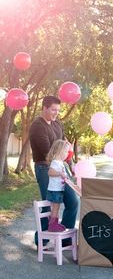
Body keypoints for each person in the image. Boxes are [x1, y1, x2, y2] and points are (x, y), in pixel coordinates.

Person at [29, 96, 79, 245]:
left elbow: (64, 147)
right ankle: (41, 241)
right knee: (48, 205)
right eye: (53, 110)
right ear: (44, 108)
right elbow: (48, 153)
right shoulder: (37, 126)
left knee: (73, 201)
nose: (56, 113)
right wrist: (60, 165)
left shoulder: (58, 124)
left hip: (61, 167)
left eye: (58, 110)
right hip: (45, 169)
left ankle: (64, 240)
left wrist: (70, 164)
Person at [46, 140, 70, 232]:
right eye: (66, 151)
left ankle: (54, 223)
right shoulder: (55, 162)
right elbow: (50, 172)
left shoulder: (60, 162)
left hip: (58, 189)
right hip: (55, 190)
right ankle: (52, 225)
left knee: (57, 207)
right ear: (60, 151)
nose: (67, 154)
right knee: (56, 207)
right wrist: (60, 173)